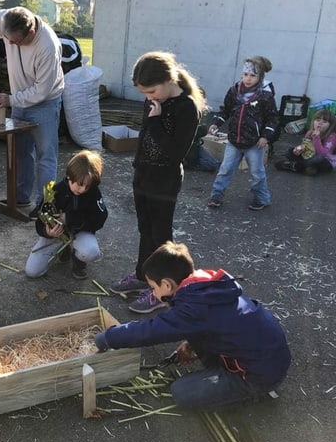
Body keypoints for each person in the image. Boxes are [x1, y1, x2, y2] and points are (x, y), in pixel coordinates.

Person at [95, 241, 291, 412]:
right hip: (267, 357)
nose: (153, 294)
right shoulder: (202, 288)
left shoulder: (195, 308)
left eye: (153, 288)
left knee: (181, 393)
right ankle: (224, 375)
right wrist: (190, 343)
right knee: (196, 346)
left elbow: (151, 331)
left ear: (166, 284)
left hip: (259, 374)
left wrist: (108, 337)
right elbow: (209, 324)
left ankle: (248, 393)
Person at [110, 51, 207, 314]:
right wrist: (138, 164)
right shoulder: (154, 100)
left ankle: (165, 290)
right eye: (144, 93)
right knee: (145, 228)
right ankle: (143, 277)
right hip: (143, 174)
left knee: (160, 235)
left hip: (164, 180)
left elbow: (176, 153)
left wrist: (155, 122)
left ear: (168, 80)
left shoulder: (186, 107)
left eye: (151, 90)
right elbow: (144, 138)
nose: (148, 97)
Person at [0, 7, 64, 218]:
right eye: (8, 40)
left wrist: (10, 100)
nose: (11, 45)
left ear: (31, 31)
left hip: (45, 103)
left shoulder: (48, 46)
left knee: (46, 156)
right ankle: (22, 196)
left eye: (16, 42)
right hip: (18, 101)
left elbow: (41, 91)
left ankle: (46, 205)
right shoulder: (5, 19)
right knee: (20, 152)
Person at [207, 55, 278, 211]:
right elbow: (225, 110)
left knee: (257, 173)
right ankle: (216, 195)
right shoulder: (234, 91)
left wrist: (266, 136)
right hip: (234, 140)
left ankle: (262, 198)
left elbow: (273, 118)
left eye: (253, 75)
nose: (248, 78)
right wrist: (216, 123)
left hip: (255, 143)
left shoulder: (265, 96)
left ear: (260, 76)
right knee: (225, 170)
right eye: (246, 74)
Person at [25, 150, 108, 280]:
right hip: (57, 234)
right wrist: (47, 232)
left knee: (91, 252)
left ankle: (78, 260)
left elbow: (100, 218)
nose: (83, 189)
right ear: (69, 176)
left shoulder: (93, 192)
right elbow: (40, 219)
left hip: (80, 231)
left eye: (87, 186)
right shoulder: (55, 190)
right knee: (32, 272)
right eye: (80, 184)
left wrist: (69, 218)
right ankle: (64, 249)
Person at [275, 108, 336, 175]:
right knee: (289, 151)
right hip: (309, 157)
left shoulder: (331, 137)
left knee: (319, 159)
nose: (320, 123)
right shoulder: (309, 133)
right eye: (318, 120)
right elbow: (305, 145)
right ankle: (306, 168)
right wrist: (299, 149)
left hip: (325, 161)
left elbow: (322, 153)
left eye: (324, 122)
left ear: (330, 125)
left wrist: (316, 138)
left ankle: (295, 166)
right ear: (313, 122)